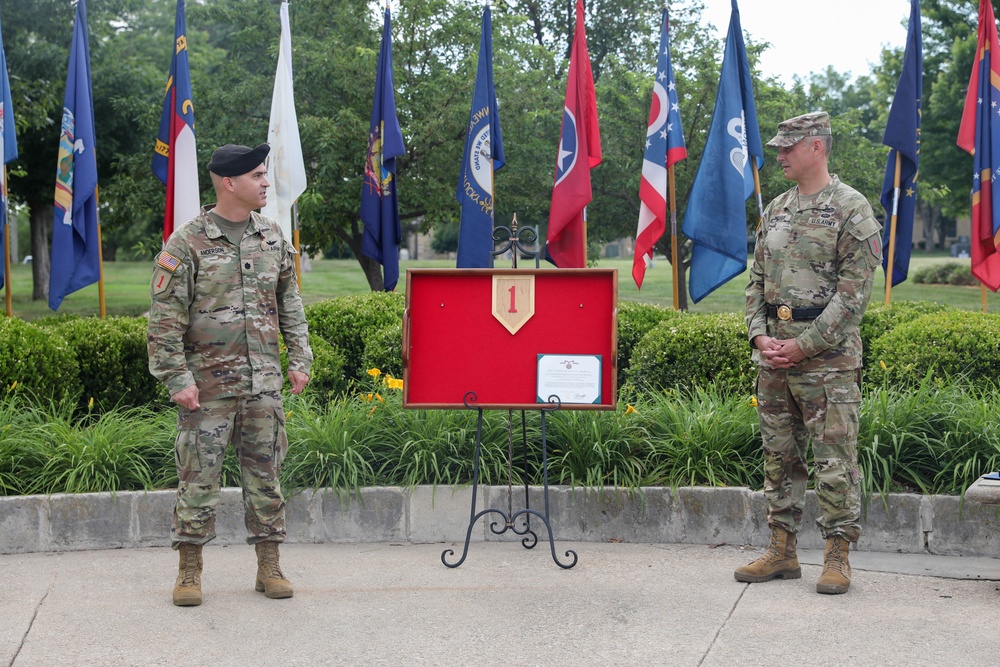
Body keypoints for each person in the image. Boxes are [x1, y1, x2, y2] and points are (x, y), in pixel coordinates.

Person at [147, 143, 313, 607]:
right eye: (257, 175)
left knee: (266, 478)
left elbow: (290, 306)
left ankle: (269, 566)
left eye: (264, 175)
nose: (265, 183)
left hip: (263, 385)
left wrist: (300, 359)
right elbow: (164, 321)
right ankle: (189, 572)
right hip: (207, 391)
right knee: (198, 481)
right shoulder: (187, 243)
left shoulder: (272, 238)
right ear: (229, 183)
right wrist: (177, 379)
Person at [737, 112, 881, 595]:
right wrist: (761, 337)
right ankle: (782, 551)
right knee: (778, 458)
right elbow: (755, 282)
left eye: (787, 148)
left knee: (834, 460)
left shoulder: (851, 210)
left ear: (816, 147)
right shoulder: (776, 208)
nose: (779, 155)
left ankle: (837, 555)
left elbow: (852, 298)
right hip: (775, 357)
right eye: (778, 147)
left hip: (828, 363)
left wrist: (803, 346)